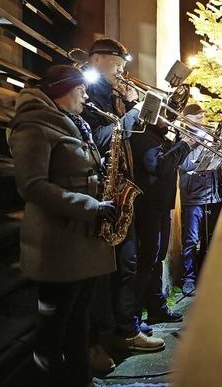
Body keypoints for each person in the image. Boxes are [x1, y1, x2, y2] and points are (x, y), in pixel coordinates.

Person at [9, 65, 117, 386]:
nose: (86, 95)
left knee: (79, 319)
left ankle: (80, 378)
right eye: (81, 90)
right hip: (57, 246)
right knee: (56, 327)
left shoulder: (73, 123)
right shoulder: (33, 125)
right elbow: (32, 186)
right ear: (62, 91)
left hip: (82, 241)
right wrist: (92, 206)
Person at [81, 39, 163, 358]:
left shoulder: (113, 94)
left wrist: (134, 109)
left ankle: (125, 327)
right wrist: (131, 114)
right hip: (102, 193)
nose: (123, 70)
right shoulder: (89, 92)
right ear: (99, 59)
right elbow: (102, 138)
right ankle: (115, 333)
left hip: (121, 189)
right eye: (118, 63)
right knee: (111, 270)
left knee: (127, 265)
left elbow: (126, 137)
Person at [130, 113, 197, 325]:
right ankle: (134, 315)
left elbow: (171, 161)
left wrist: (186, 143)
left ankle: (155, 306)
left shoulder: (160, 137)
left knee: (156, 258)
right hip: (149, 206)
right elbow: (158, 166)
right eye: (165, 115)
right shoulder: (144, 136)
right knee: (146, 260)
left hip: (162, 205)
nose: (170, 119)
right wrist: (185, 144)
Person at [178, 104, 222, 296]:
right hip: (193, 197)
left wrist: (220, 149)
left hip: (211, 195)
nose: (203, 121)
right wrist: (198, 145)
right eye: (198, 118)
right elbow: (185, 164)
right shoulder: (181, 137)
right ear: (188, 119)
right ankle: (188, 279)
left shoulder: (207, 136)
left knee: (210, 239)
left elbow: (217, 162)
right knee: (191, 241)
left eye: (204, 117)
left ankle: (208, 275)